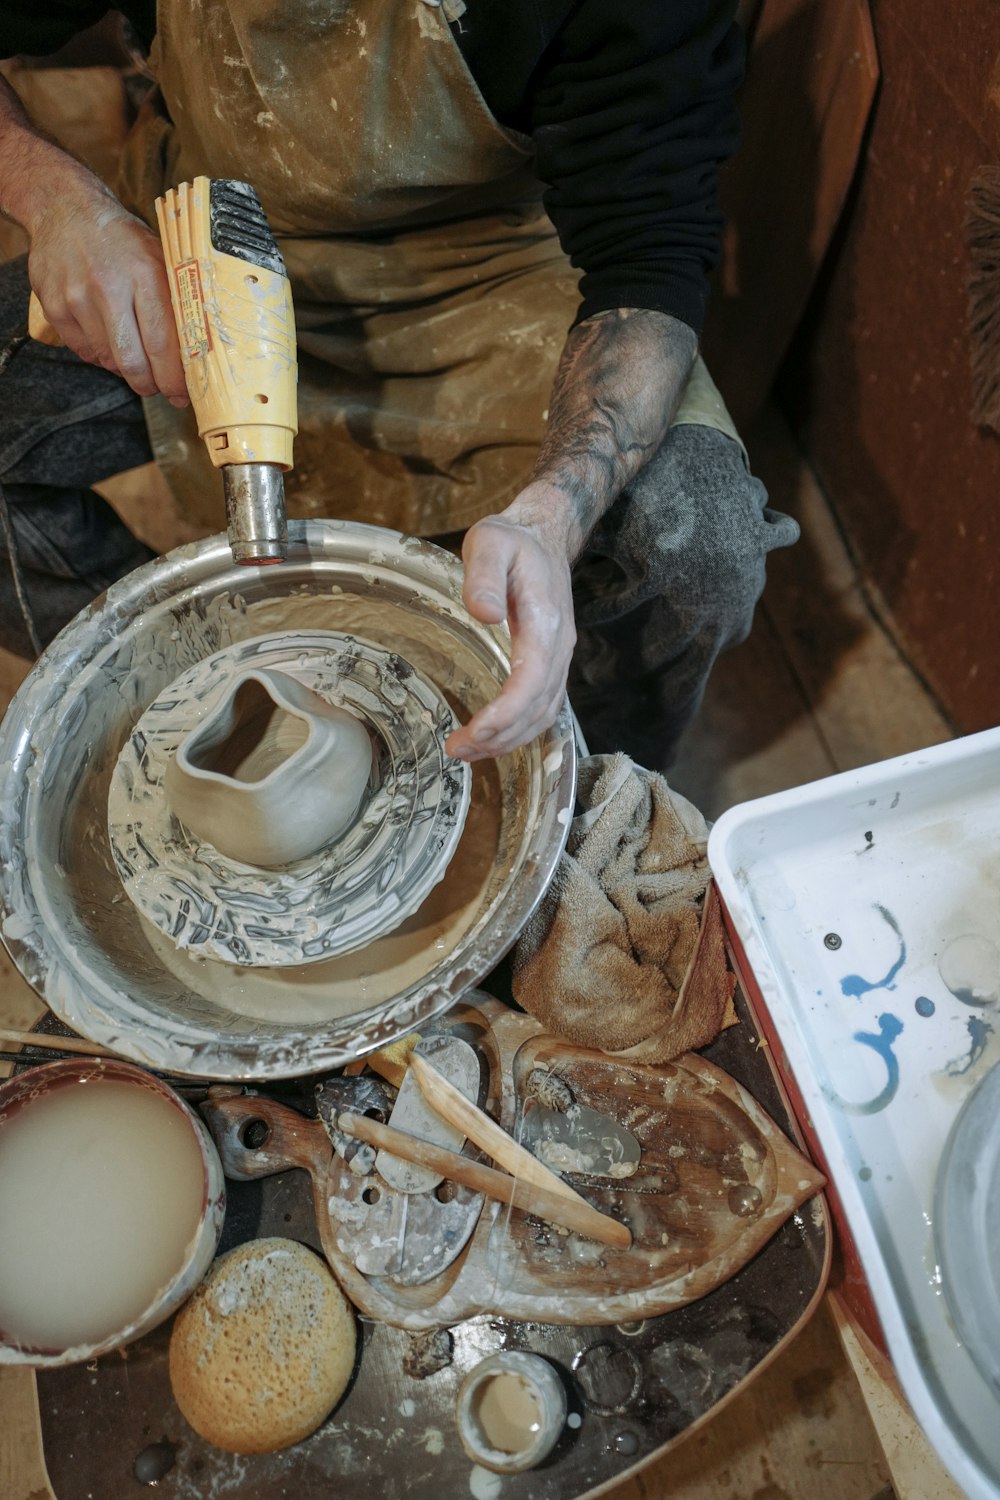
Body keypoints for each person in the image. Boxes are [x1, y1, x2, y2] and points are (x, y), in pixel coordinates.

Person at [0, 1, 798, 768]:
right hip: (228, 235)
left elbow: (649, 257)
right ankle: (203, 692)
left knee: (699, 549)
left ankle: (570, 774)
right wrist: (59, 199)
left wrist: (553, 519)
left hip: (501, 265)